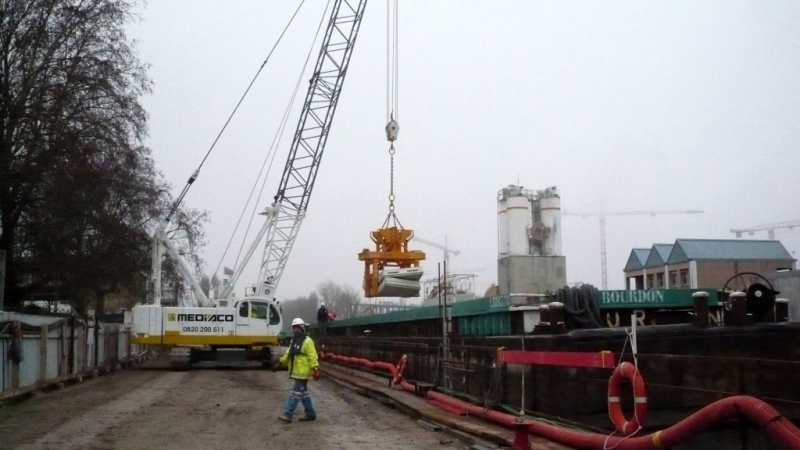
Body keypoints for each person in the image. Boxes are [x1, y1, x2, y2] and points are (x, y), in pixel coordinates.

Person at [277, 318, 320, 423]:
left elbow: (312, 355)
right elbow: (288, 354)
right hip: (297, 371)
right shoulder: (294, 340)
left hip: (303, 372)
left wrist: (315, 369)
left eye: (298, 327)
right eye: (294, 328)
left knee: (295, 393)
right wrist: (280, 362)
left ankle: (288, 414)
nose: (296, 330)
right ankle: (310, 413)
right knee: (303, 393)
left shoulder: (308, 341)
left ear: (302, 328)